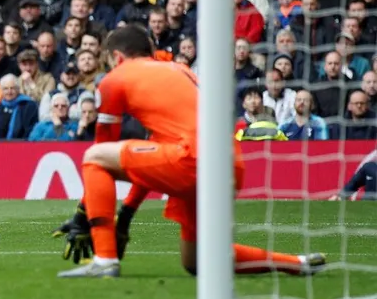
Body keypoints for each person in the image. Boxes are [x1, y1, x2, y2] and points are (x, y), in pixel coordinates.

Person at [54, 25, 325, 278]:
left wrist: (82, 215)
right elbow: (152, 162)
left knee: (93, 158)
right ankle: (296, 263)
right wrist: (125, 215)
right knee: (196, 261)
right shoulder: (179, 72)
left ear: (116, 57)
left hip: (192, 160)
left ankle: (105, 259)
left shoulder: (115, 79)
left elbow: (101, 151)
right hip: (229, 164)